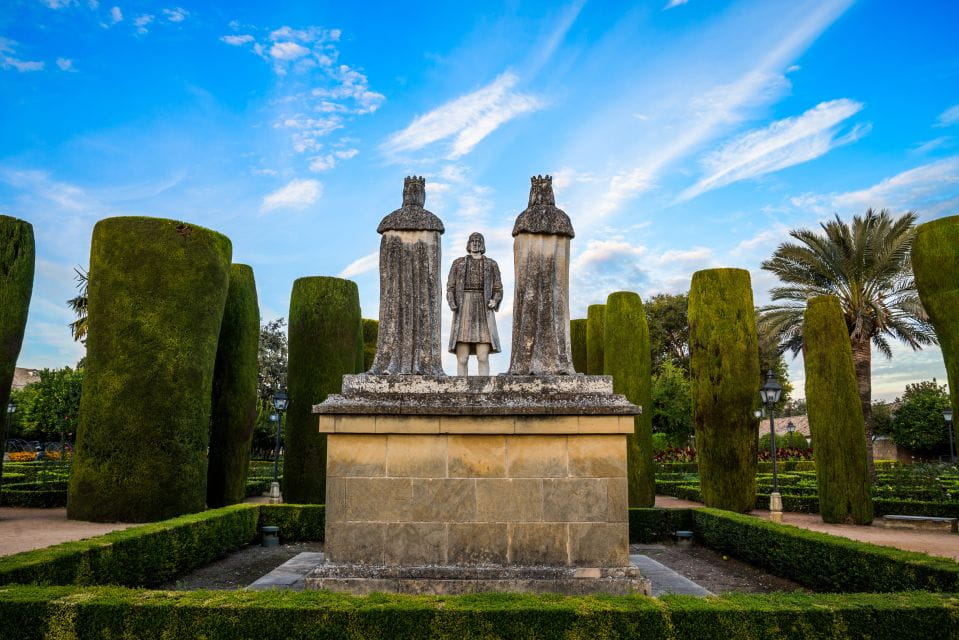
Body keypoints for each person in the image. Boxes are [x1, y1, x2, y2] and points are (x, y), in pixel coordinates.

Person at [447, 232, 502, 376]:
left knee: (483, 357)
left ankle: (484, 391)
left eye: (479, 241)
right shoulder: (458, 263)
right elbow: (450, 287)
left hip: (483, 309)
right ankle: (461, 390)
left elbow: (498, 288)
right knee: (462, 358)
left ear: (483, 244)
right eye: (473, 241)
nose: (476, 243)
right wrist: (452, 302)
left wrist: (494, 300)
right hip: (464, 308)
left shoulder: (491, 264)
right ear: (469, 243)